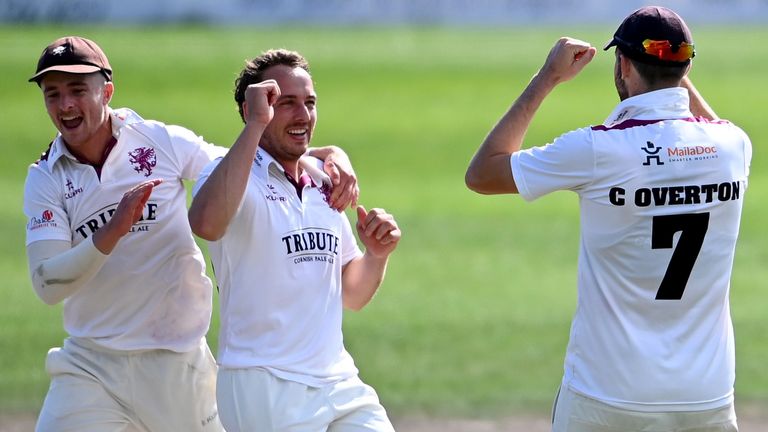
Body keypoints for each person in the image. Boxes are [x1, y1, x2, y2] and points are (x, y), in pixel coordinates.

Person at [24, 36, 360, 432]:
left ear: (107, 91)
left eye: (77, 90)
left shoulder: (159, 141)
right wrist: (111, 233)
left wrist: (325, 154)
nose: (65, 106)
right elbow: (48, 284)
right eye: (53, 94)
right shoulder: (45, 177)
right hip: (90, 367)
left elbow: (245, 164)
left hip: (179, 362)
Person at [465, 6, 750, 432]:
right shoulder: (733, 146)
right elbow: (701, 122)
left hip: (608, 396)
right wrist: (673, 67)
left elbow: (483, 173)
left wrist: (547, 78)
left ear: (623, 65)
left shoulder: (597, 149)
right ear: (686, 66)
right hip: (705, 397)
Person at [188, 49, 401, 432]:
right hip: (264, 384)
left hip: (338, 381)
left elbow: (352, 293)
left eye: (310, 103)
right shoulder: (227, 175)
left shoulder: (323, 179)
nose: (303, 116)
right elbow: (206, 224)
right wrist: (255, 125)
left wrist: (376, 255)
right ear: (251, 109)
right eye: (285, 103)